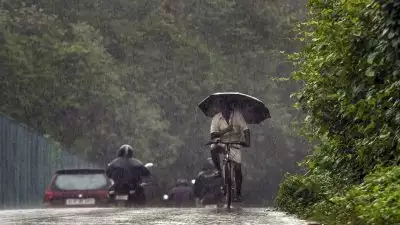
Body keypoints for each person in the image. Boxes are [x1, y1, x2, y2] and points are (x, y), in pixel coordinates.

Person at [210, 100, 250, 202]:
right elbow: (213, 135)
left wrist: (247, 142)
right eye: (223, 109)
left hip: (235, 144)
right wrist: (226, 130)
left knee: (238, 169)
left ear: (230, 108)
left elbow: (246, 130)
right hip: (222, 143)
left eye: (227, 109)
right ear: (220, 109)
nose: (225, 112)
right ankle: (219, 170)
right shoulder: (216, 118)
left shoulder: (238, 116)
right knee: (213, 149)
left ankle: (238, 193)